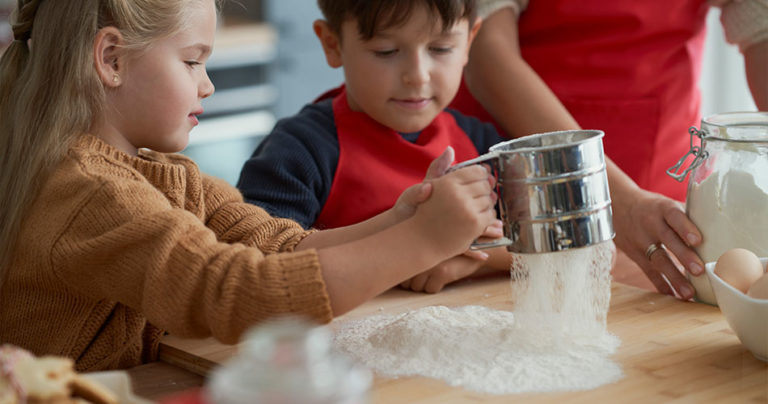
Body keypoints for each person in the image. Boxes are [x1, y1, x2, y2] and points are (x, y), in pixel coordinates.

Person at [0, 0, 498, 371]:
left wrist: (401, 218)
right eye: (193, 61)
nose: (207, 84)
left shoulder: (163, 172)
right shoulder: (87, 192)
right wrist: (422, 241)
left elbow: (281, 245)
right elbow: (240, 292)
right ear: (111, 59)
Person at [448, 0, 768, 300]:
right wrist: (617, 200)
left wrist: (630, 205)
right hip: (518, 197)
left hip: (658, 208)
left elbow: (761, 27)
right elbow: (487, 51)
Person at [238, 0, 514, 294]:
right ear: (332, 44)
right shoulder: (298, 151)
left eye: (441, 48)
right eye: (386, 51)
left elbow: (551, 240)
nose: (418, 75)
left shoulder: (482, 144)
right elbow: (251, 270)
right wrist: (420, 249)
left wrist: (473, 261)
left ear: (469, 41)